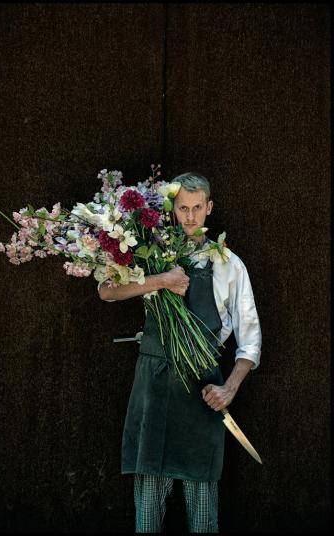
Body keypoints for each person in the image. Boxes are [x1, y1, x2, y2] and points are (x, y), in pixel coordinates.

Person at [98, 172, 262, 533]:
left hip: (201, 390)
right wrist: (160, 281)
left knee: (203, 512)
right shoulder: (151, 255)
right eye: (183, 208)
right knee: (148, 512)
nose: (190, 216)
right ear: (172, 210)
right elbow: (106, 290)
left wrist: (229, 389)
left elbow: (250, 340)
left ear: (209, 208)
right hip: (153, 389)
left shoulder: (229, 265)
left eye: (197, 208)